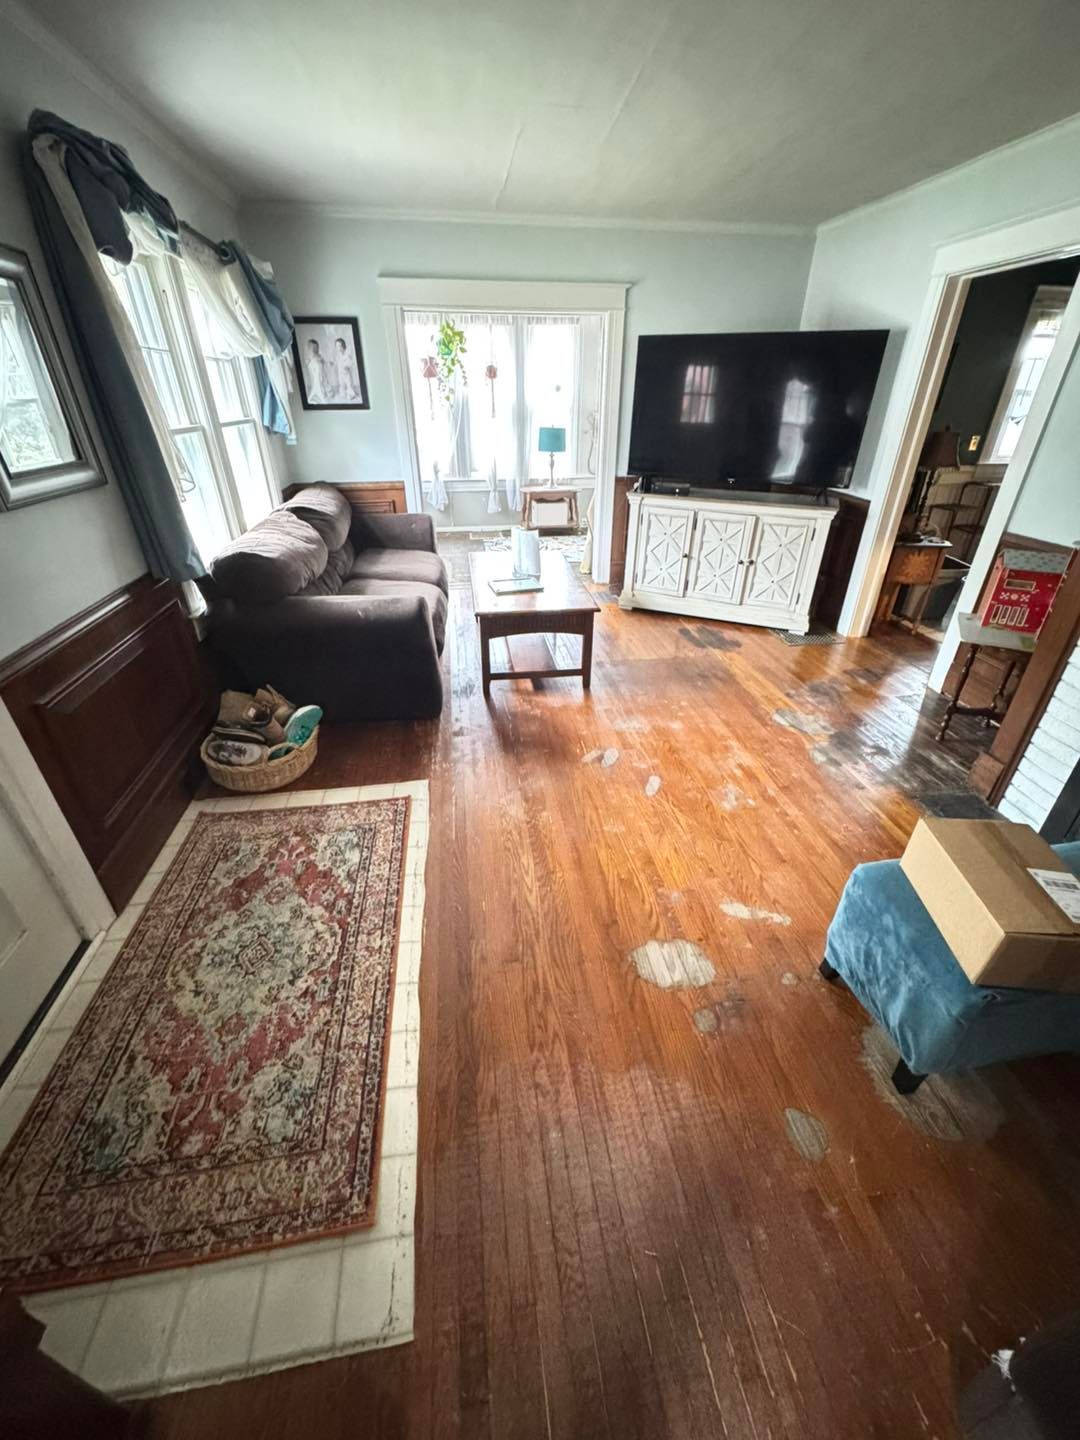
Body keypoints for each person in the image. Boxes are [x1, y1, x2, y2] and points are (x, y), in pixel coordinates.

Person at [304, 337, 334, 403]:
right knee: (318, 383)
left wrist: (329, 363)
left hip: (322, 372)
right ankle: (321, 394)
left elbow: (324, 361)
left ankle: (329, 392)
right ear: (309, 348)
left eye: (316, 347)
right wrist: (309, 362)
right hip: (316, 374)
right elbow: (309, 365)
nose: (315, 349)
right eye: (313, 348)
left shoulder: (319, 355)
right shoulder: (310, 357)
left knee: (326, 382)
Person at [333, 336, 361, 402]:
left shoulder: (347, 354)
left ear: (343, 346)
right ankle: (343, 393)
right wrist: (333, 363)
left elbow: (350, 362)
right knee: (341, 383)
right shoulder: (337, 355)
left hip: (346, 372)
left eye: (340, 346)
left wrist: (347, 365)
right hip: (340, 373)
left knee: (349, 383)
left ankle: (351, 394)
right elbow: (336, 362)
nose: (339, 348)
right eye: (337, 346)